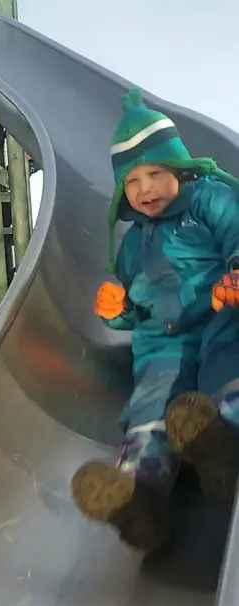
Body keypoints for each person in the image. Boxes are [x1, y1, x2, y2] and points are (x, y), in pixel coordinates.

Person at [71, 87, 239, 553]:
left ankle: (223, 443)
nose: (144, 188)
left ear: (179, 170)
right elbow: (137, 311)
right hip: (164, 341)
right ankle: (138, 498)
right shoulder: (130, 247)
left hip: (221, 313)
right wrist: (119, 310)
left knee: (229, 364)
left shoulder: (208, 199)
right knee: (152, 402)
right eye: (132, 181)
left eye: (155, 173)